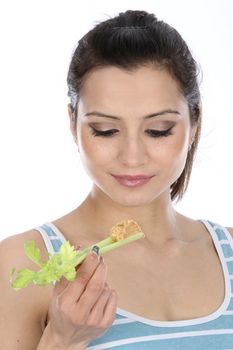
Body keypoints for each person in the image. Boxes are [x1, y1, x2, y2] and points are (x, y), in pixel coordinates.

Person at [1, 9, 233, 350]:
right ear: (73, 123)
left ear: (194, 121)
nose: (132, 156)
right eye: (106, 130)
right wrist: (62, 339)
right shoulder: (24, 263)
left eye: (158, 130)